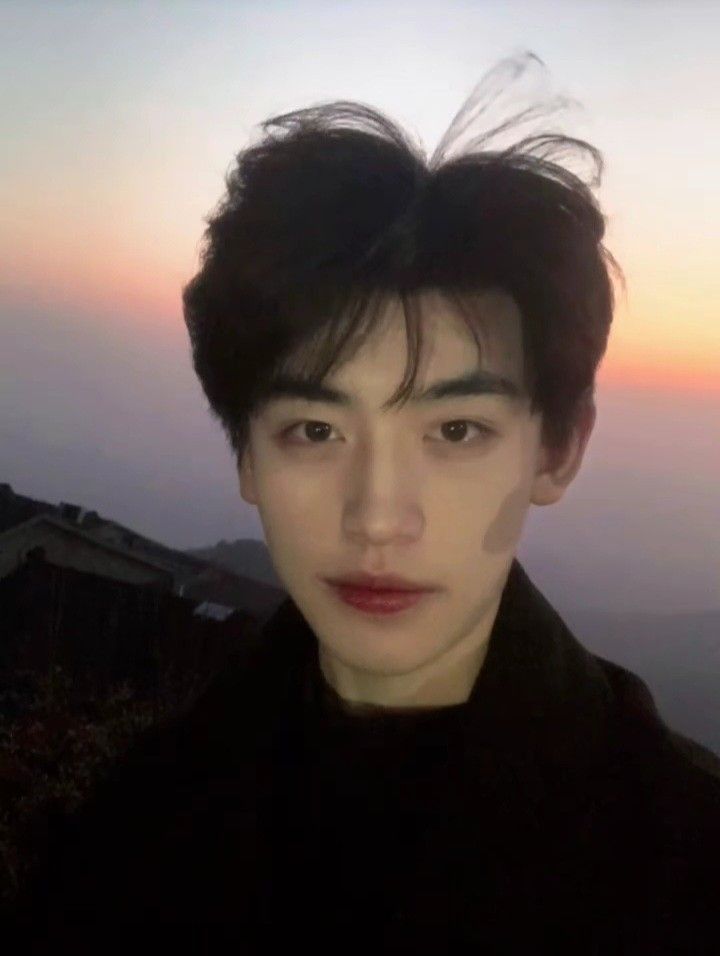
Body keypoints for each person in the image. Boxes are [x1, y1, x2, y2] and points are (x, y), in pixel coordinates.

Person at [13, 52, 720, 953]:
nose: (378, 517)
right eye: (315, 430)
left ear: (558, 449)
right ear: (247, 456)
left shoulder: (686, 869)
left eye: (456, 430)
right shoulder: (130, 831)